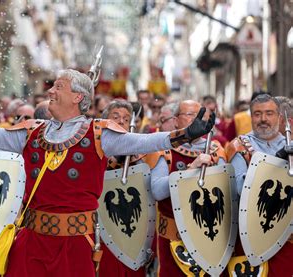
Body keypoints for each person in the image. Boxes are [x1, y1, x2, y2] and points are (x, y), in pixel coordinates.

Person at [0, 69, 215, 277]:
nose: (50, 92)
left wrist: (184, 135)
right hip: (30, 243)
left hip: (75, 247)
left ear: (78, 96)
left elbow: (144, 142)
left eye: (58, 87)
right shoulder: (32, 131)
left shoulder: (99, 133)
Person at [144, 100, 226, 277]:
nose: (195, 120)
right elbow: (158, 191)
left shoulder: (216, 149)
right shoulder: (163, 149)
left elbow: (227, 194)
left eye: (199, 116)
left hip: (208, 235)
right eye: (189, 115)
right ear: (175, 120)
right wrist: (190, 170)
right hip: (173, 240)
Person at [226, 94, 292, 276]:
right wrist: (276, 162)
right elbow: (242, 188)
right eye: (257, 114)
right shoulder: (238, 146)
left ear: (279, 117)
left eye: (269, 113)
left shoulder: (291, 144)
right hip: (253, 238)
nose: (263, 119)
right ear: (251, 117)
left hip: (288, 237)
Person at [99, 99, 146, 276]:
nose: (121, 121)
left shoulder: (139, 153)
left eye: (126, 119)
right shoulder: (96, 148)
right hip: (103, 228)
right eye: (116, 117)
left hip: (132, 230)